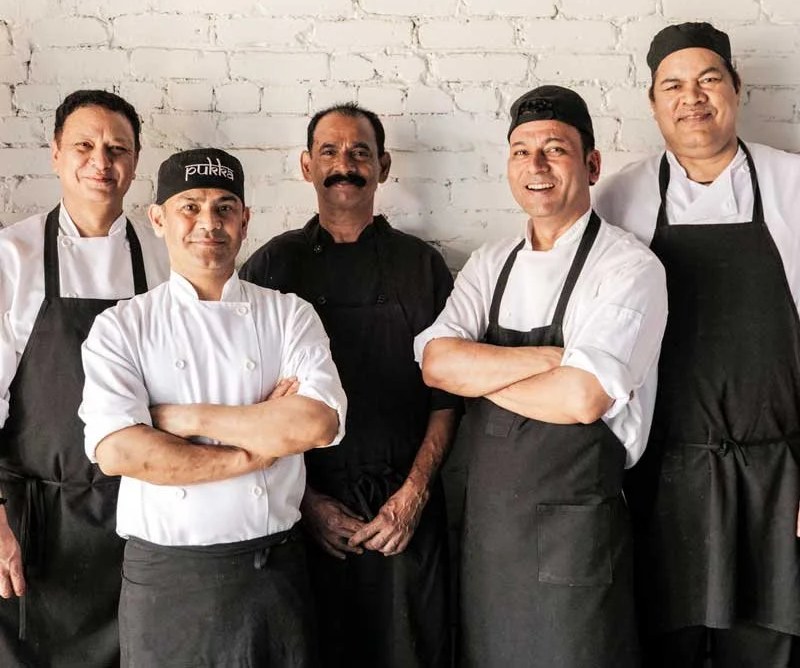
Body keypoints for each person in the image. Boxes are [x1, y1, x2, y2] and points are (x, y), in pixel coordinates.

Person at [415, 85, 668, 668]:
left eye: (555, 148)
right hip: (487, 540)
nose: (536, 165)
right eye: (520, 151)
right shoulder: (490, 261)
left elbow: (582, 397)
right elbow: (434, 362)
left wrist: (475, 370)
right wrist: (547, 360)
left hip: (574, 542)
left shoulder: (628, 267)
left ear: (592, 164)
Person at [78, 147, 347, 667]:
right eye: (190, 207)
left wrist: (185, 419)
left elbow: (315, 421)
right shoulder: (122, 326)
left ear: (245, 221)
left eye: (225, 207)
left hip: (272, 575)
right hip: (168, 582)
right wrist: (256, 453)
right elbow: (122, 453)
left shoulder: (290, 315)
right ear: (158, 218)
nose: (209, 223)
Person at [593, 22, 800, 667]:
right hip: (663, 476)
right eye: (673, 85)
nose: (694, 97)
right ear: (653, 103)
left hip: (781, 476)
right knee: (667, 645)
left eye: (709, 79)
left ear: (737, 89)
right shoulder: (619, 198)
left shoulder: (794, 185)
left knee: (770, 648)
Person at [240, 103, 459, 668]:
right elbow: (245, 408)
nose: (346, 165)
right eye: (331, 152)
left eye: (361, 153)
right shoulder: (270, 266)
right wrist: (307, 502)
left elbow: (446, 398)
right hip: (303, 510)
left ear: (383, 166)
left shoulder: (422, 265)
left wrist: (411, 497)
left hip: (405, 507)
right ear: (306, 167)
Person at [0, 90, 169, 667]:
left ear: (136, 161)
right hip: (36, 520)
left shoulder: (163, 254)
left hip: (142, 510)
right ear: (54, 154)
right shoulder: (13, 256)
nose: (102, 161)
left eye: (117, 148)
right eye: (85, 145)